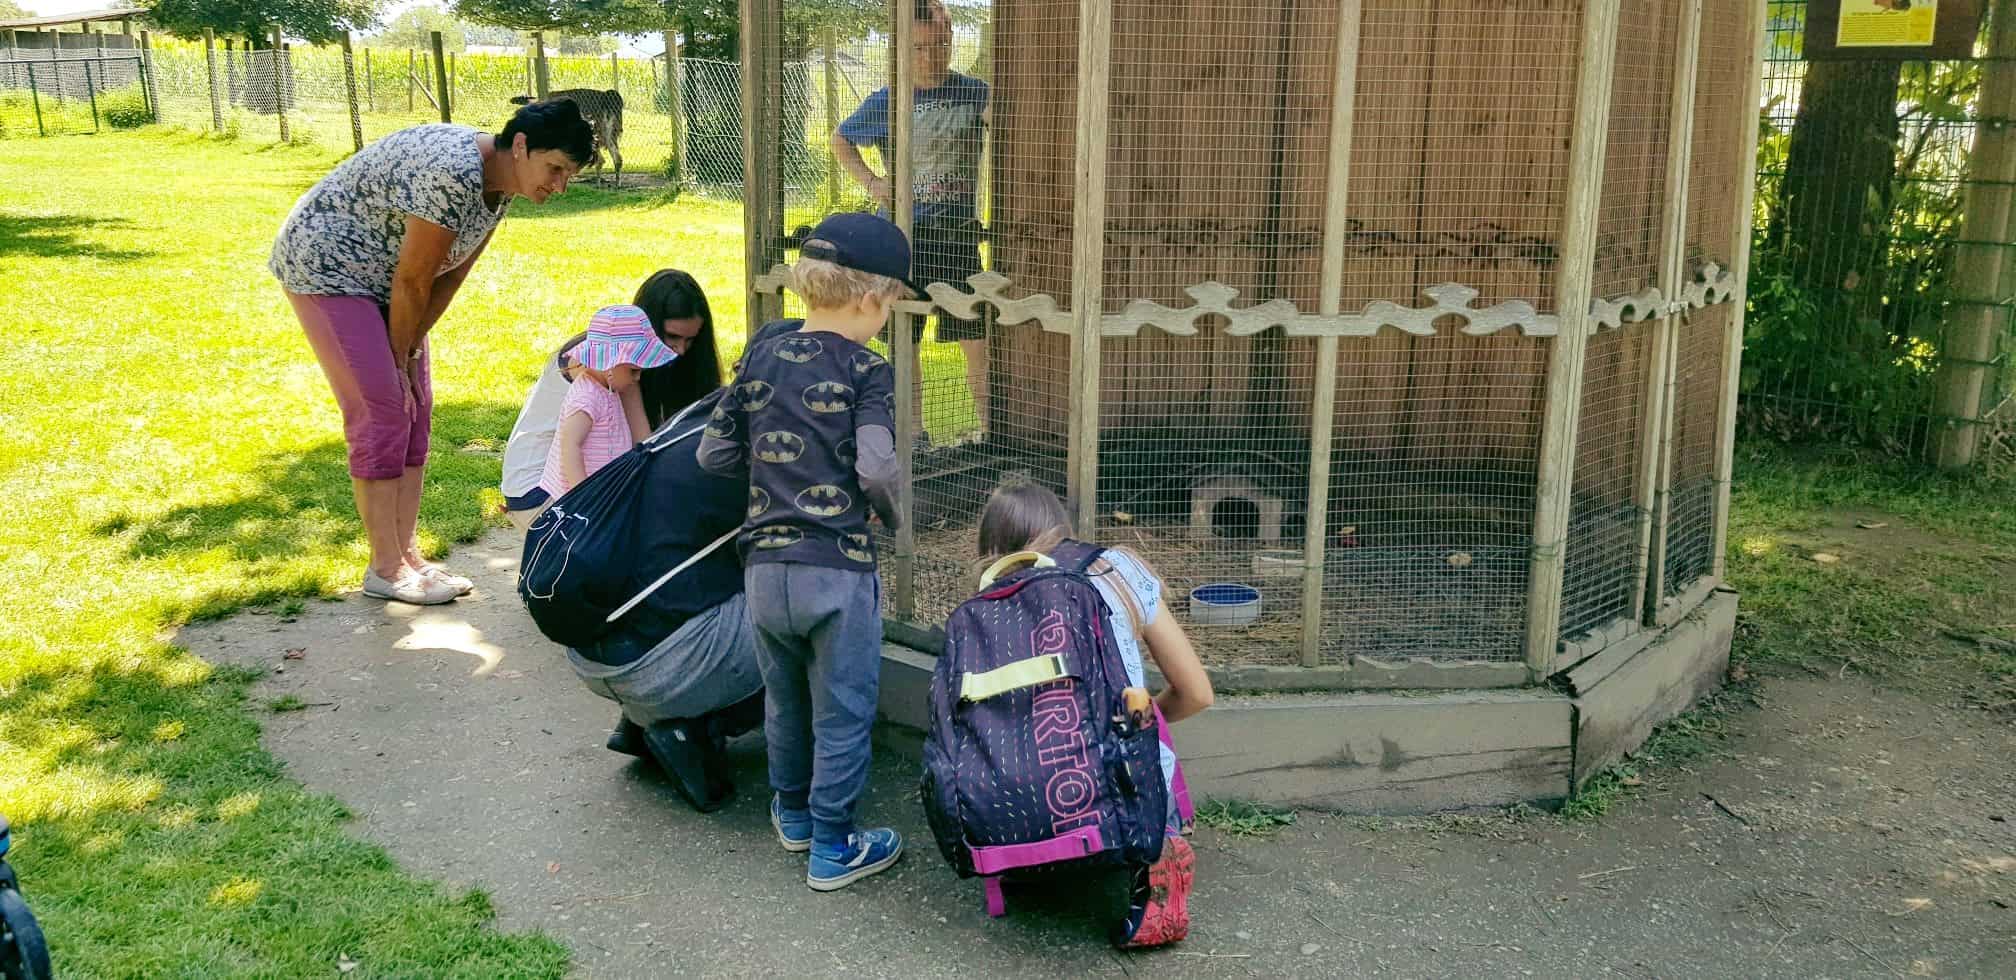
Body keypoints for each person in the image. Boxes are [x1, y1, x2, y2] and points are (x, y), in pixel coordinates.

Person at [271, 102, 595, 605]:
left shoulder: (499, 188)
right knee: (382, 408)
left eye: (568, 176)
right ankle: (384, 569)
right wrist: (397, 362)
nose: (559, 186)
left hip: (383, 281)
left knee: (416, 409)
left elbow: (449, 275)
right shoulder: (453, 172)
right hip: (326, 269)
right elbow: (413, 278)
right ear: (522, 146)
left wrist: (410, 355)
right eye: (555, 169)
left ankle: (406, 555)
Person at [698, 213, 909, 892]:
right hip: (836, 571)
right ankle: (835, 845)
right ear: (869, 297)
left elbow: (714, 451)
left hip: (764, 571)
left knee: (784, 702)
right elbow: (877, 469)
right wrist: (895, 518)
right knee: (844, 708)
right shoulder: (867, 370)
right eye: (894, 304)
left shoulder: (762, 353)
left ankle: (792, 816)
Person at [973, 480, 1215, 947]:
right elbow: (1197, 693)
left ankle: (1026, 859)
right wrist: (1144, 725)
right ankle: (1151, 865)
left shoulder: (984, 602)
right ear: (1062, 529)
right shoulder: (1118, 569)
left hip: (1020, 798)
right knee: (1138, 731)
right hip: (1122, 791)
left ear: (992, 547)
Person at [832, 0, 990, 445]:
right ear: (903, 48)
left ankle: (990, 430)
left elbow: (1010, 127)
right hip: (902, 241)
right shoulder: (888, 100)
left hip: (957, 238)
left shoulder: (975, 93)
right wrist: (873, 182)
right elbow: (841, 139)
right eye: (920, 48)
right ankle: (913, 436)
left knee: (976, 339)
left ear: (952, 39)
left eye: (940, 44)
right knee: (905, 341)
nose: (931, 56)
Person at [502, 270, 722, 531]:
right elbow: (642, 444)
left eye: (691, 340)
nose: (681, 350)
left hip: (570, 483)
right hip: (540, 490)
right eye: (673, 337)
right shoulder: (609, 367)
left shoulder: (618, 359)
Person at [537, 305, 677, 500]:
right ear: (611, 363)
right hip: (583, 500)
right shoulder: (587, 397)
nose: (637, 379)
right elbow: (570, 446)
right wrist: (582, 497)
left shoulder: (607, 387)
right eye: (633, 371)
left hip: (604, 489)